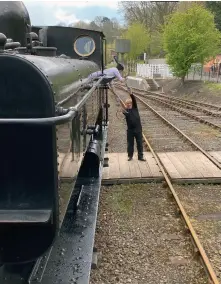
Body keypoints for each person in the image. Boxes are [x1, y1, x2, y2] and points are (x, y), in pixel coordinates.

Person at [121, 90, 146, 162]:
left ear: (132, 104)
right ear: (126, 104)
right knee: (130, 144)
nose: (129, 104)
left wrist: (131, 94)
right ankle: (130, 156)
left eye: (130, 103)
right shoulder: (126, 111)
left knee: (139, 143)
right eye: (127, 103)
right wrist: (123, 107)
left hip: (138, 129)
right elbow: (122, 110)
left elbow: (134, 100)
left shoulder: (135, 108)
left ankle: (140, 157)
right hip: (130, 130)